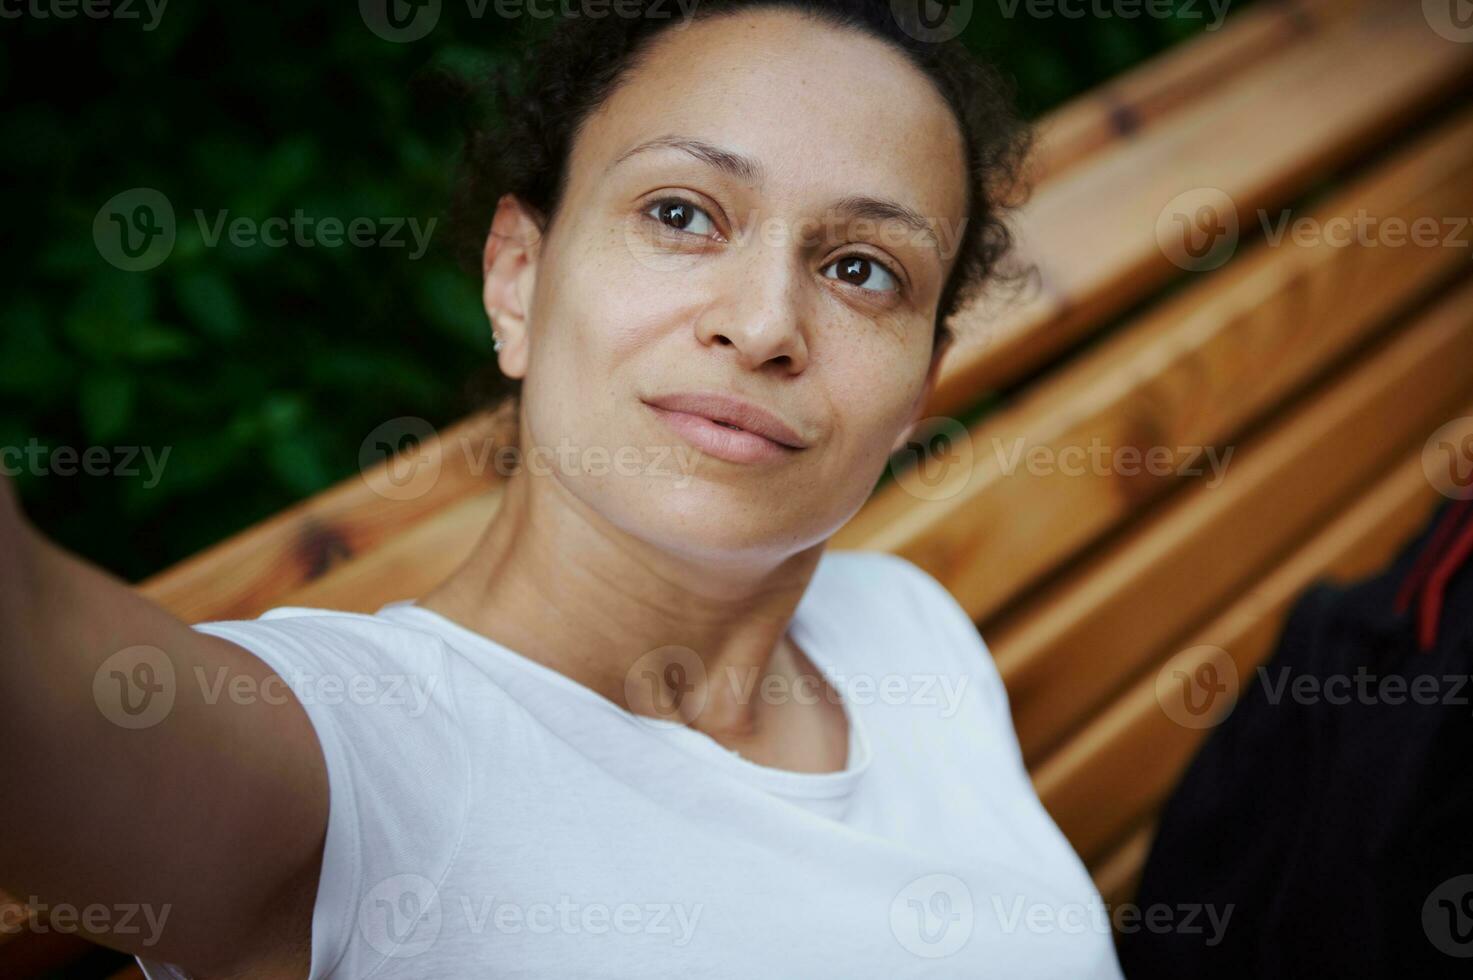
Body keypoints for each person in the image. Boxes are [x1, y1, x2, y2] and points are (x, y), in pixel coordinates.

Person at [0, 1, 1125, 976]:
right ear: (517, 280)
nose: (767, 323)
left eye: (862, 268)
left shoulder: (908, 627)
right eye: (682, 213)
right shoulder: (369, 764)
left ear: (922, 384)